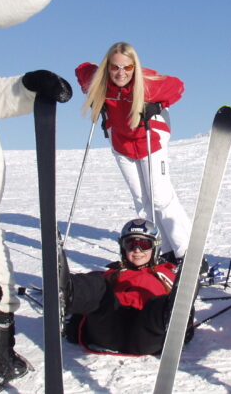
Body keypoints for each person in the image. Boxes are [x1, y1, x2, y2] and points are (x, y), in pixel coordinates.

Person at [75, 42, 191, 263]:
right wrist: (95, 88)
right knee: (141, 200)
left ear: (134, 67)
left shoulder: (147, 84)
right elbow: (82, 69)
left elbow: (177, 87)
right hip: (122, 145)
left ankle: (187, 254)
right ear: (107, 67)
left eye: (127, 68)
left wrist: (156, 105)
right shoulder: (100, 82)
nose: (121, 73)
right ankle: (164, 251)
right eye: (115, 67)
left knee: (161, 198)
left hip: (150, 141)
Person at [61, 219, 192, 355]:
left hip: (146, 333)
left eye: (144, 244)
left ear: (155, 247)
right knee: (99, 284)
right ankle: (66, 292)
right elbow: (93, 295)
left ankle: (173, 319)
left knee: (161, 303)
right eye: (130, 244)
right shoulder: (113, 273)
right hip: (110, 327)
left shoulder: (165, 272)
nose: (137, 250)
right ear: (123, 248)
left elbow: (176, 295)